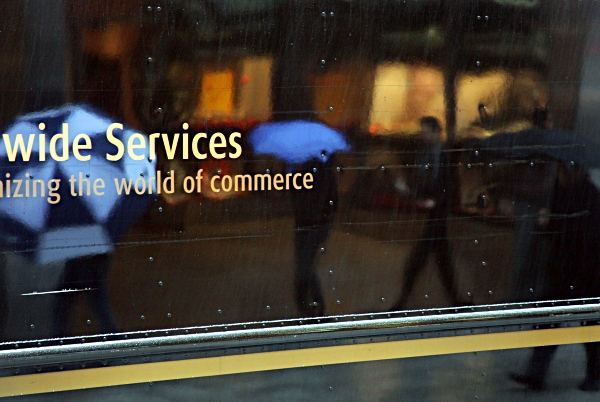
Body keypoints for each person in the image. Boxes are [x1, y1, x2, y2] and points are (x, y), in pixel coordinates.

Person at [510, 163, 600, 392]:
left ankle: (595, 374)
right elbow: (558, 231)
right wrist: (548, 223)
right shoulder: (561, 192)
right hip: (563, 269)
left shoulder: (590, 196)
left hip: (587, 271)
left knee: (588, 326)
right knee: (549, 320)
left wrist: (554, 225)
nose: (558, 176)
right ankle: (536, 373)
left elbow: (585, 235)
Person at [392, 117, 458, 309]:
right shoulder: (430, 152)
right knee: (442, 261)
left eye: (425, 130)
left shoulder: (444, 153)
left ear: (434, 131)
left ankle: (402, 300)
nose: (422, 134)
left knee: (418, 261)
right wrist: (412, 190)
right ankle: (455, 302)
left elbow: (448, 183)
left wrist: (435, 199)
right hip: (436, 214)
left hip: (438, 212)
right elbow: (427, 180)